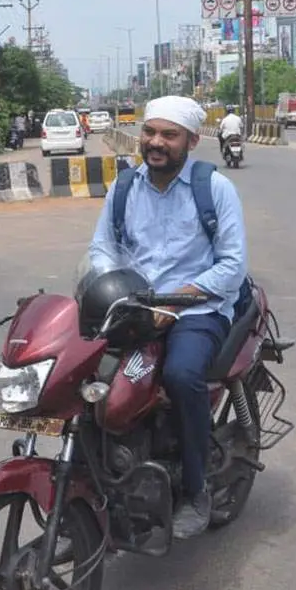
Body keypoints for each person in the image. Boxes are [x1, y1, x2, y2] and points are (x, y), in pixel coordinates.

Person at [88, 95, 248, 539]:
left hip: (198, 308)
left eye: (169, 135)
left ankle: (196, 489)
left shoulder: (215, 189)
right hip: (136, 307)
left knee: (180, 375)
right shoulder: (124, 187)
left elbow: (232, 265)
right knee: (87, 376)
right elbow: (102, 248)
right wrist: (110, 285)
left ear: (192, 141)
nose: (156, 142)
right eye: (150, 132)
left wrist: (177, 302)